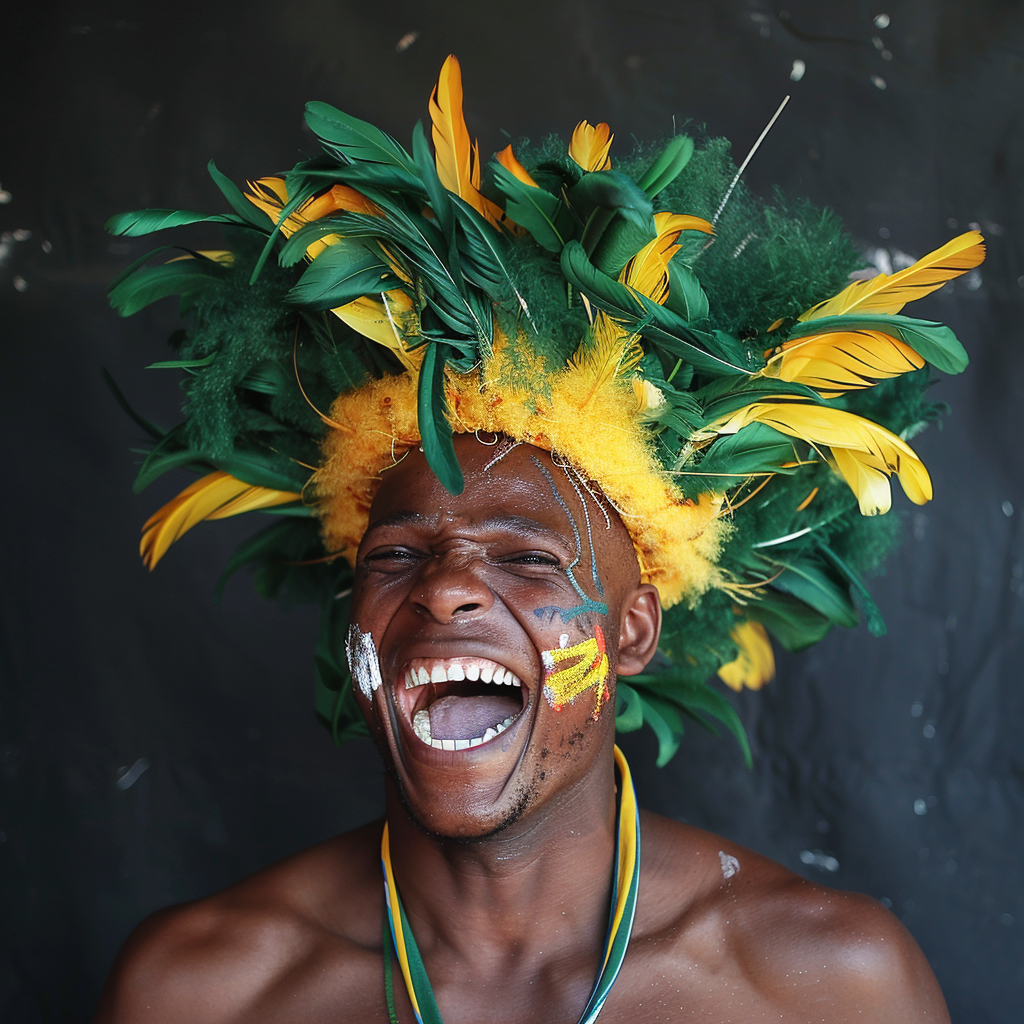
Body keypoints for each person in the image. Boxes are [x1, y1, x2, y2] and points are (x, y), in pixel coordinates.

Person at [95, 55, 979, 1022]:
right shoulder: (201, 992)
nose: (444, 591)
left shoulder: (828, 989)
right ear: (356, 623)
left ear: (634, 631)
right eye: (396, 555)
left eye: (525, 557)